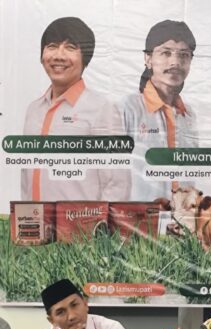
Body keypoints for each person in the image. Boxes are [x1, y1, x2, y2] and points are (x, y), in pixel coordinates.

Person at [21, 17, 130, 201]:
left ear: (85, 58)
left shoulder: (102, 109)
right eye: (52, 46)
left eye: (70, 47)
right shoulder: (34, 110)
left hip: (80, 219)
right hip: (34, 218)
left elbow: (117, 185)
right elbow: (26, 180)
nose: (59, 55)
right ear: (41, 55)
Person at [120, 20, 199, 203]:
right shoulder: (128, 108)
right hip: (139, 216)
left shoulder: (188, 114)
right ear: (148, 59)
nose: (175, 62)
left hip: (181, 215)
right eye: (166, 53)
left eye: (184, 55)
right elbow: (109, 173)